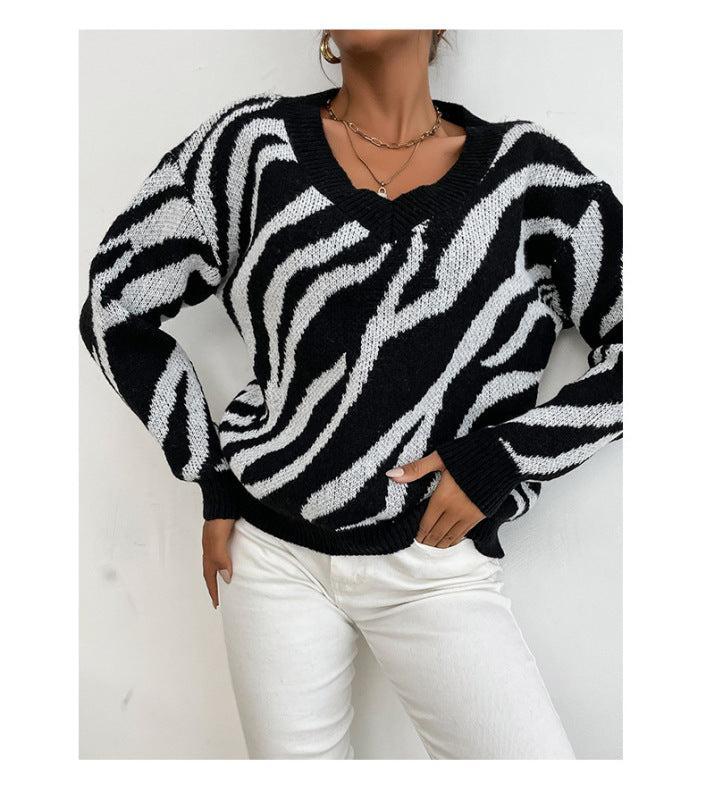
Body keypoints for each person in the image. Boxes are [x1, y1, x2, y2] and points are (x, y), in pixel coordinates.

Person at [80, 29, 622, 759]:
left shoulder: (529, 178)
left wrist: (503, 458)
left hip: (432, 560)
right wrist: (208, 470)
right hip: (268, 556)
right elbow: (114, 304)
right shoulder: (250, 149)